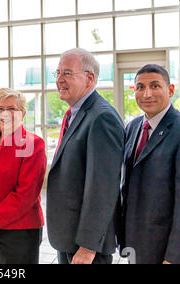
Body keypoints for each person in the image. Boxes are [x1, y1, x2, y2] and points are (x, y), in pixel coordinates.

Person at [118, 64, 180, 264]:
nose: (146, 93)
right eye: (140, 87)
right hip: (135, 243)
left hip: (165, 250)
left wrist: (175, 258)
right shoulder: (133, 127)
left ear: (171, 90)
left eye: (155, 86)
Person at [46, 48, 125, 264]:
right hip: (69, 238)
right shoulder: (77, 113)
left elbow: (103, 189)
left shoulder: (102, 118)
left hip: (86, 247)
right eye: (58, 73)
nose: (59, 80)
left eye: (67, 73)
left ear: (90, 78)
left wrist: (88, 247)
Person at [0, 88, 46, 264]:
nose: (5, 113)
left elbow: (25, 196)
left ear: (23, 113)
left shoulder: (33, 144)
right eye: (0, 108)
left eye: (12, 109)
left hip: (20, 232)